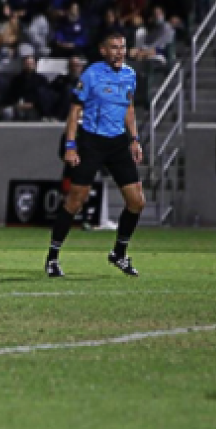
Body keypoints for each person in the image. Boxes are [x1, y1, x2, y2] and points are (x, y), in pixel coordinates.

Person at [47, 32, 145, 278]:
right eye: (114, 47)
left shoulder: (130, 75)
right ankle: (52, 258)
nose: (119, 52)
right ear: (103, 51)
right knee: (75, 200)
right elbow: (74, 110)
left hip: (118, 143)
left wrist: (134, 139)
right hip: (91, 141)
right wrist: (71, 145)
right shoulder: (91, 74)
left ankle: (119, 254)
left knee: (137, 202)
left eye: (122, 47)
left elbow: (129, 108)